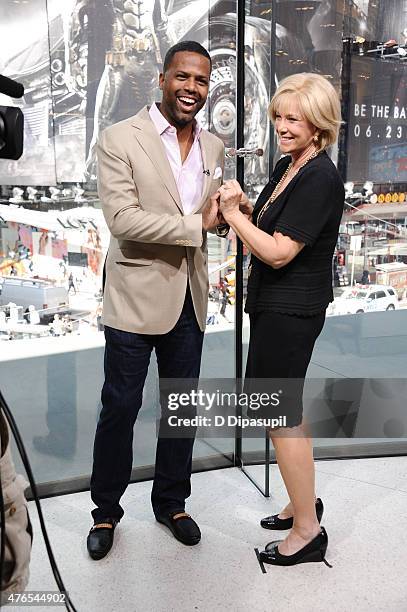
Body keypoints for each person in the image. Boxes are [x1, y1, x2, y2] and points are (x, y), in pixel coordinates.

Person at [87, 41, 227, 561]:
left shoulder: (213, 146)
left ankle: (172, 502)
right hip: (134, 297)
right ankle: (105, 511)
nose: (193, 89)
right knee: (120, 408)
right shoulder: (120, 137)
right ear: (163, 78)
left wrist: (231, 211)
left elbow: (208, 214)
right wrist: (197, 225)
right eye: (183, 77)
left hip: (189, 300)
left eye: (202, 82)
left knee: (180, 410)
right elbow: (122, 220)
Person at [217, 73, 344, 567]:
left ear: (318, 124)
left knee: (278, 415)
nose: (283, 126)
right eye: (279, 116)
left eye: (294, 118)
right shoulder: (292, 165)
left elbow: (276, 252)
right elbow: (272, 221)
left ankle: (308, 533)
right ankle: (301, 503)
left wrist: (233, 217)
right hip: (278, 310)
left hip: (290, 311)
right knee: (287, 410)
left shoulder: (319, 177)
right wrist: (248, 207)